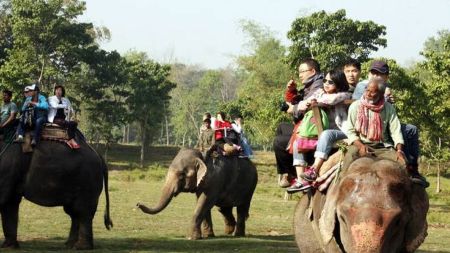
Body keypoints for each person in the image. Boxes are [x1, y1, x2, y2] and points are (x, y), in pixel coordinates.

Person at [352, 60, 428, 187]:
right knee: (348, 161)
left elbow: (394, 124)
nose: (376, 76)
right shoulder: (363, 86)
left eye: (380, 74)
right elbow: (360, 102)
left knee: (410, 130)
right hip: (363, 128)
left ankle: (412, 168)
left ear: (386, 77)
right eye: (373, 73)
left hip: (383, 127)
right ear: (369, 74)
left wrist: (399, 149)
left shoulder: (386, 93)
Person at [286, 69, 351, 192]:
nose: (326, 83)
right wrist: (310, 101)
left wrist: (315, 99)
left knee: (327, 134)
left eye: (330, 82)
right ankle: (301, 180)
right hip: (323, 135)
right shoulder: (321, 92)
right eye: (325, 80)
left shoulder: (344, 94)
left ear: (338, 83)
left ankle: (314, 170)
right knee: (297, 140)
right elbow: (303, 104)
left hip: (342, 133)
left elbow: (330, 100)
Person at [343, 78, 406, 171]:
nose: (368, 94)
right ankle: (340, 180)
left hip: (382, 147)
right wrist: (360, 146)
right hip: (360, 143)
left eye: (372, 92)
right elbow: (350, 131)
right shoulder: (355, 106)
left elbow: (396, 131)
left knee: (402, 164)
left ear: (381, 94)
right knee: (349, 157)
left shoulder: (388, 108)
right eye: (367, 90)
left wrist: (399, 150)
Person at [48, 85, 80, 149]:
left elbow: (71, 109)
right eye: (57, 90)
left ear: (62, 92)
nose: (58, 91)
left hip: (64, 118)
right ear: (55, 91)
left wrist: (70, 112)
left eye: (60, 90)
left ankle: (72, 138)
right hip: (54, 118)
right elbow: (55, 106)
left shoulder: (65, 100)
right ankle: (70, 139)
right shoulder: (51, 98)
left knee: (74, 123)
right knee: (67, 124)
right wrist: (65, 106)